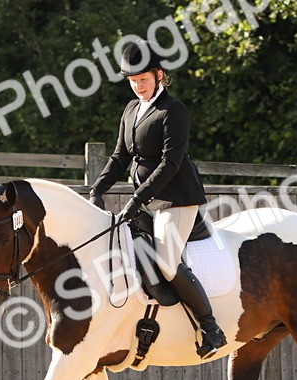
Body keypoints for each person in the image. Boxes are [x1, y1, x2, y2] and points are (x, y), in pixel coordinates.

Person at [88, 39, 228, 358]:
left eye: (144, 80)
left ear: (160, 75)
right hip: (146, 200)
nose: (138, 86)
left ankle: (210, 327)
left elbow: (171, 163)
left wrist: (137, 199)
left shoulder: (173, 110)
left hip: (174, 199)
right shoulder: (131, 109)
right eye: (133, 81)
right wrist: (97, 189)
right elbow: (121, 155)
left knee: (166, 264)